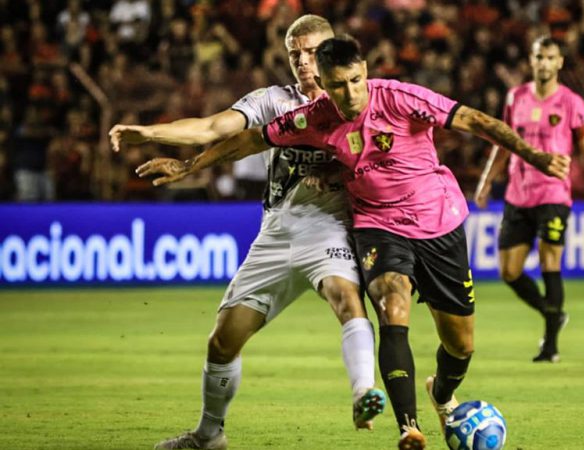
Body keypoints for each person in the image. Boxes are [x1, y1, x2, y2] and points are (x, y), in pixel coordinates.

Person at [136, 35, 570, 450]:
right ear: (323, 85)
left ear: (365, 71)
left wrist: (536, 157)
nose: (350, 94)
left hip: (438, 223)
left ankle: (442, 389)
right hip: (377, 226)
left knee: (461, 344)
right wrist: (189, 166)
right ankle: (409, 427)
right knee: (391, 306)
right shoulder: (315, 117)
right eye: (338, 86)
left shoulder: (399, 97)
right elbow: (252, 138)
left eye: (355, 81)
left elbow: (475, 120)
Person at [109, 16, 385, 450]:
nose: (302, 62)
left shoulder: (362, 101)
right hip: (276, 232)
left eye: (312, 52)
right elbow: (214, 127)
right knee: (222, 341)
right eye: (295, 54)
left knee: (346, 298)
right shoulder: (275, 101)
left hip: (328, 226)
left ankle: (364, 392)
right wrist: (151, 134)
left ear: (334, 53)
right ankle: (209, 434)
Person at [474, 36, 584, 363]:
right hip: (518, 194)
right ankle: (553, 313)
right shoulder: (515, 97)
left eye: (550, 57)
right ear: (530, 61)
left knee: (550, 263)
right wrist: (487, 180)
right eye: (538, 57)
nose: (544, 63)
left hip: (554, 194)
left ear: (560, 62)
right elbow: (502, 143)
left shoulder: (572, 103)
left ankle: (550, 345)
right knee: (509, 271)